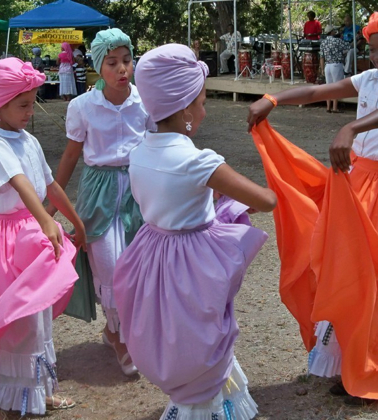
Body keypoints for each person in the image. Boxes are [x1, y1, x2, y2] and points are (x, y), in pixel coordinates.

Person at [247, 10, 378, 406]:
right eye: (374, 49)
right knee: (343, 270)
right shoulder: (368, 79)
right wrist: (272, 97)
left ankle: (375, 371)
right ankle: (348, 364)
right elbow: (316, 93)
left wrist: (351, 127)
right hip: (353, 181)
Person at [114, 43, 276, 420]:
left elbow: (169, 191)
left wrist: (212, 191)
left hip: (153, 255)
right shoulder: (198, 161)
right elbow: (266, 200)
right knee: (206, 336)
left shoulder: (138, 151)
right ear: (186, 109)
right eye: (202, 102)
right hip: (192, 264)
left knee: (177, 335)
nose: (204, 110)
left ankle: (189, 396)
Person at [0, 57, 84, 420]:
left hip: (29, 232)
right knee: (13, 318)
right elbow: (20, 183)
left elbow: (48, 184)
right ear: (1, 104)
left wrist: (74, 219)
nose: (30, 111)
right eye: (23, 104)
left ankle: (39, 388)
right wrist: (46, 221)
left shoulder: (28, 139)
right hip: (7, 238)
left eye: (32, 103)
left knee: (36, 314)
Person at [50, 28, 152, 377]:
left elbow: (162, 145)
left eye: (127, 61)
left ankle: (116, 331)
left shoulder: (146, 101)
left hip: (141, 189)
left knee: (140, 264)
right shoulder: (82, 107)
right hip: (100, 191)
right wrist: (51, 206)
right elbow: (70, 156)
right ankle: (120, 337)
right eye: (112, 63)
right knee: (109, 264)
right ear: (98, 67)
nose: (122, 69)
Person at [320, 25, 348, 113]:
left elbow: (321, 57)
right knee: (336, 87)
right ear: (332, 32)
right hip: (336, 64)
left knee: (328, 87)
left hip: (327, 65)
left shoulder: (323, 42)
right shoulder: (338, 41)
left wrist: (321, 68)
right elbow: (348, 47)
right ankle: (335, 107)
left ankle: (328, 107)